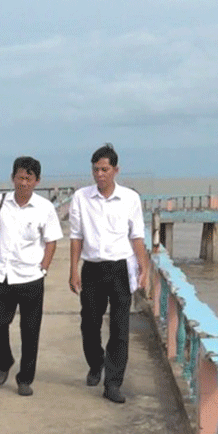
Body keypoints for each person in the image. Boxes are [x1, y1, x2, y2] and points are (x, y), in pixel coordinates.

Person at [68, 143, 149, 404]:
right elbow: (76, 236)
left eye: (104, 169)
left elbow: (136, 236)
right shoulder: (81, 197)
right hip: (92, 267)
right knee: (89, 323)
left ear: (116, 170)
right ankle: (95, 362)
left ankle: (113, 383)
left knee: (120, 328)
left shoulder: (130, 199)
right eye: (95, 170)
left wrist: (144, 268)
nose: (99, 174)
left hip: (120, 268)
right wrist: (73, 270)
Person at [0, 156, 62, 396]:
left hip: (31, 278)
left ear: (37, 181)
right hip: (2, 276)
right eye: (20, 177)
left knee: (30, 331)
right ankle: (5, 361)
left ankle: (25, 379)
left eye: (29, 178)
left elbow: (51, 241)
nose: (24, 182)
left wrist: (43, 268)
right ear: (12, 178)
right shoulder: (0, 202)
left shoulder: (45, 208)